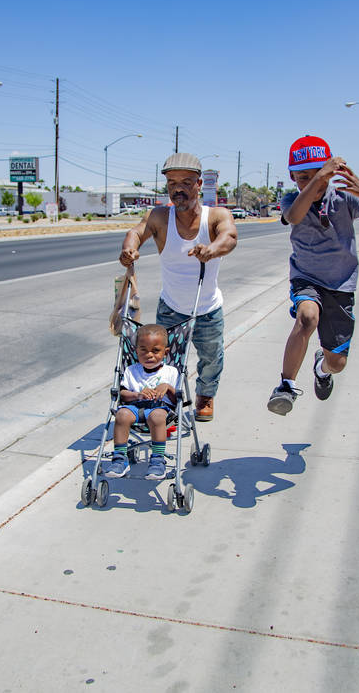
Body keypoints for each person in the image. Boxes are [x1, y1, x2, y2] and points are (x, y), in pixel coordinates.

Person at [267, 135, 359, 415]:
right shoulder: (292, 200)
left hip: (341, 284)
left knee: (337, 363)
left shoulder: (345, 198)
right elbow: (294, 217)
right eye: (304, 177)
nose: (313, 182)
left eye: (320, 175)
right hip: (307, 278)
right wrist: (320, 176)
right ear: (292, 177)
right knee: (307, 317)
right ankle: (285, 386)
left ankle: (321, 368)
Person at [119, 152, 238, 422]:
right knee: (166, 363)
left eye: (185, 182)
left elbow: (229, 237)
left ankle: (205, 396)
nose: (178, 189)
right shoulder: (160, 216)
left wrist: (211, 250)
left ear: (198, 184)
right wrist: (129, 249)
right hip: (171, 308)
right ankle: (166, 406)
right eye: (172, 183)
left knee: (211, 358)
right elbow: (136, 232)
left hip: (207, 307)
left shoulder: (216, 215)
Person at [104, 324, 179, 481]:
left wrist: (167, 387)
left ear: (165, 353)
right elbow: (123, 394)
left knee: (157, 416)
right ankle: (119, 459)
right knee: (122, 414)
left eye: (155, 350)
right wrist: (137, 395)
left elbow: (176, 401)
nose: (149, 355)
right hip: (135, 407)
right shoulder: (131, 371)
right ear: (136, 351)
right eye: (143, 350)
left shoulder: (171, 372)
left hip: (161, 408)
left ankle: (158, 460)